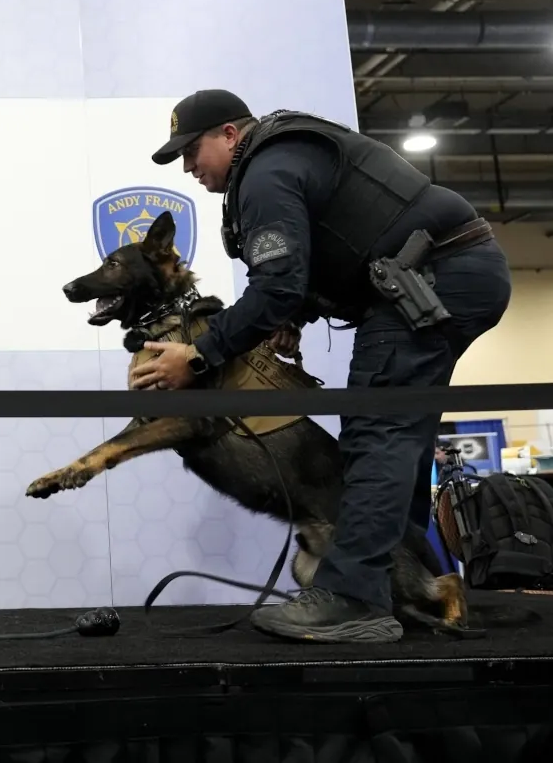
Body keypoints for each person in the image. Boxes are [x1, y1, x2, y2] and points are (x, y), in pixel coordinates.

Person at [130, 89, 511, 644]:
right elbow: (315, 266)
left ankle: (354, 600)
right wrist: (300, 310)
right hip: (447, 276)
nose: (188, 166)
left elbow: (277, 285)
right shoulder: (284, 158)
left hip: (432, 282)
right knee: (395, 437)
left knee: (375, 436)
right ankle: (407, 591)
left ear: (231, 135)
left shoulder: (264, 173)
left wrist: (199, 354)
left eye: (193, 150)